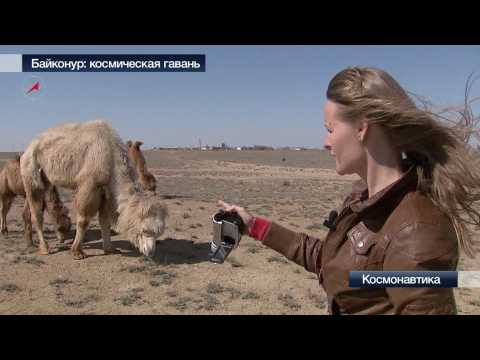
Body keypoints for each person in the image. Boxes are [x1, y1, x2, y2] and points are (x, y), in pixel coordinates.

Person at [218, 66, 480, 315]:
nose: (325, 142)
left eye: (330, 130)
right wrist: (253, 225)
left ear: (362, 128)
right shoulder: (368, 200)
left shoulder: (416, 233)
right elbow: (332, 262)